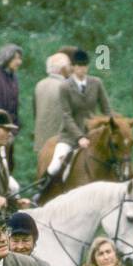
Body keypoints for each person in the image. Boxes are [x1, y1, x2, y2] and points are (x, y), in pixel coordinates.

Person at [43, 48, 113, 182]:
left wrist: (113, 127)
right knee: (54, 167)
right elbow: (66, 115)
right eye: (79, 66)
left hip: (93, 134)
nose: (82, 69)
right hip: (70, 136)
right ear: (73, 67)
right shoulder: (64, 87)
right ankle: (41, 192)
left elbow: (107, 109)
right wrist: (79, 137)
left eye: (85, 66)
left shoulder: (97, 83)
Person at [0, 44, 23, 171]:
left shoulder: (14, 78)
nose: (19, 62)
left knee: (8, 162)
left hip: (10, 127)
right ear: (7, 59)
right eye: (15, 58)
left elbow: (15, 104)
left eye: (19, 58)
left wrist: (15, 126)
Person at [33, 51, 71, 156]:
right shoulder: (66, 87)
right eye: (68, 65)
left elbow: (35, 112)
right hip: (60, 142)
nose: (70, 68)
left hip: (41, 141)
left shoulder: (39, 85)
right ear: (63, 69)